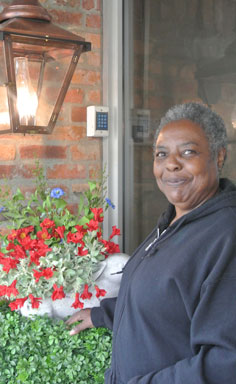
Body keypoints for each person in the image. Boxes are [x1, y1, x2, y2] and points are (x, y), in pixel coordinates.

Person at [66, 102, 236, 383]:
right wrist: (104, 314)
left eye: (188, 151)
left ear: (218, 157)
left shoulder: (226, 236)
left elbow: (226, 363)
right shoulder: (173, 223)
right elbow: (169, 296)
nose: (171, 163)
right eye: (161, 153)